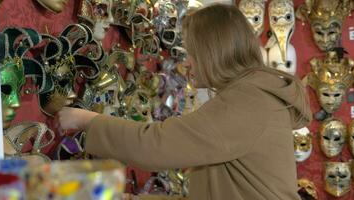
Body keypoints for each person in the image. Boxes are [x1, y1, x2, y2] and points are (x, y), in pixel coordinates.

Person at [58, 4, 312, 200]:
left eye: (192, 51)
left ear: (213, 51)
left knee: (26, 184)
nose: (187, 62)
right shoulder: (255, 95)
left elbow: (157, 145)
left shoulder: (249, 100)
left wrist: (86, 120)